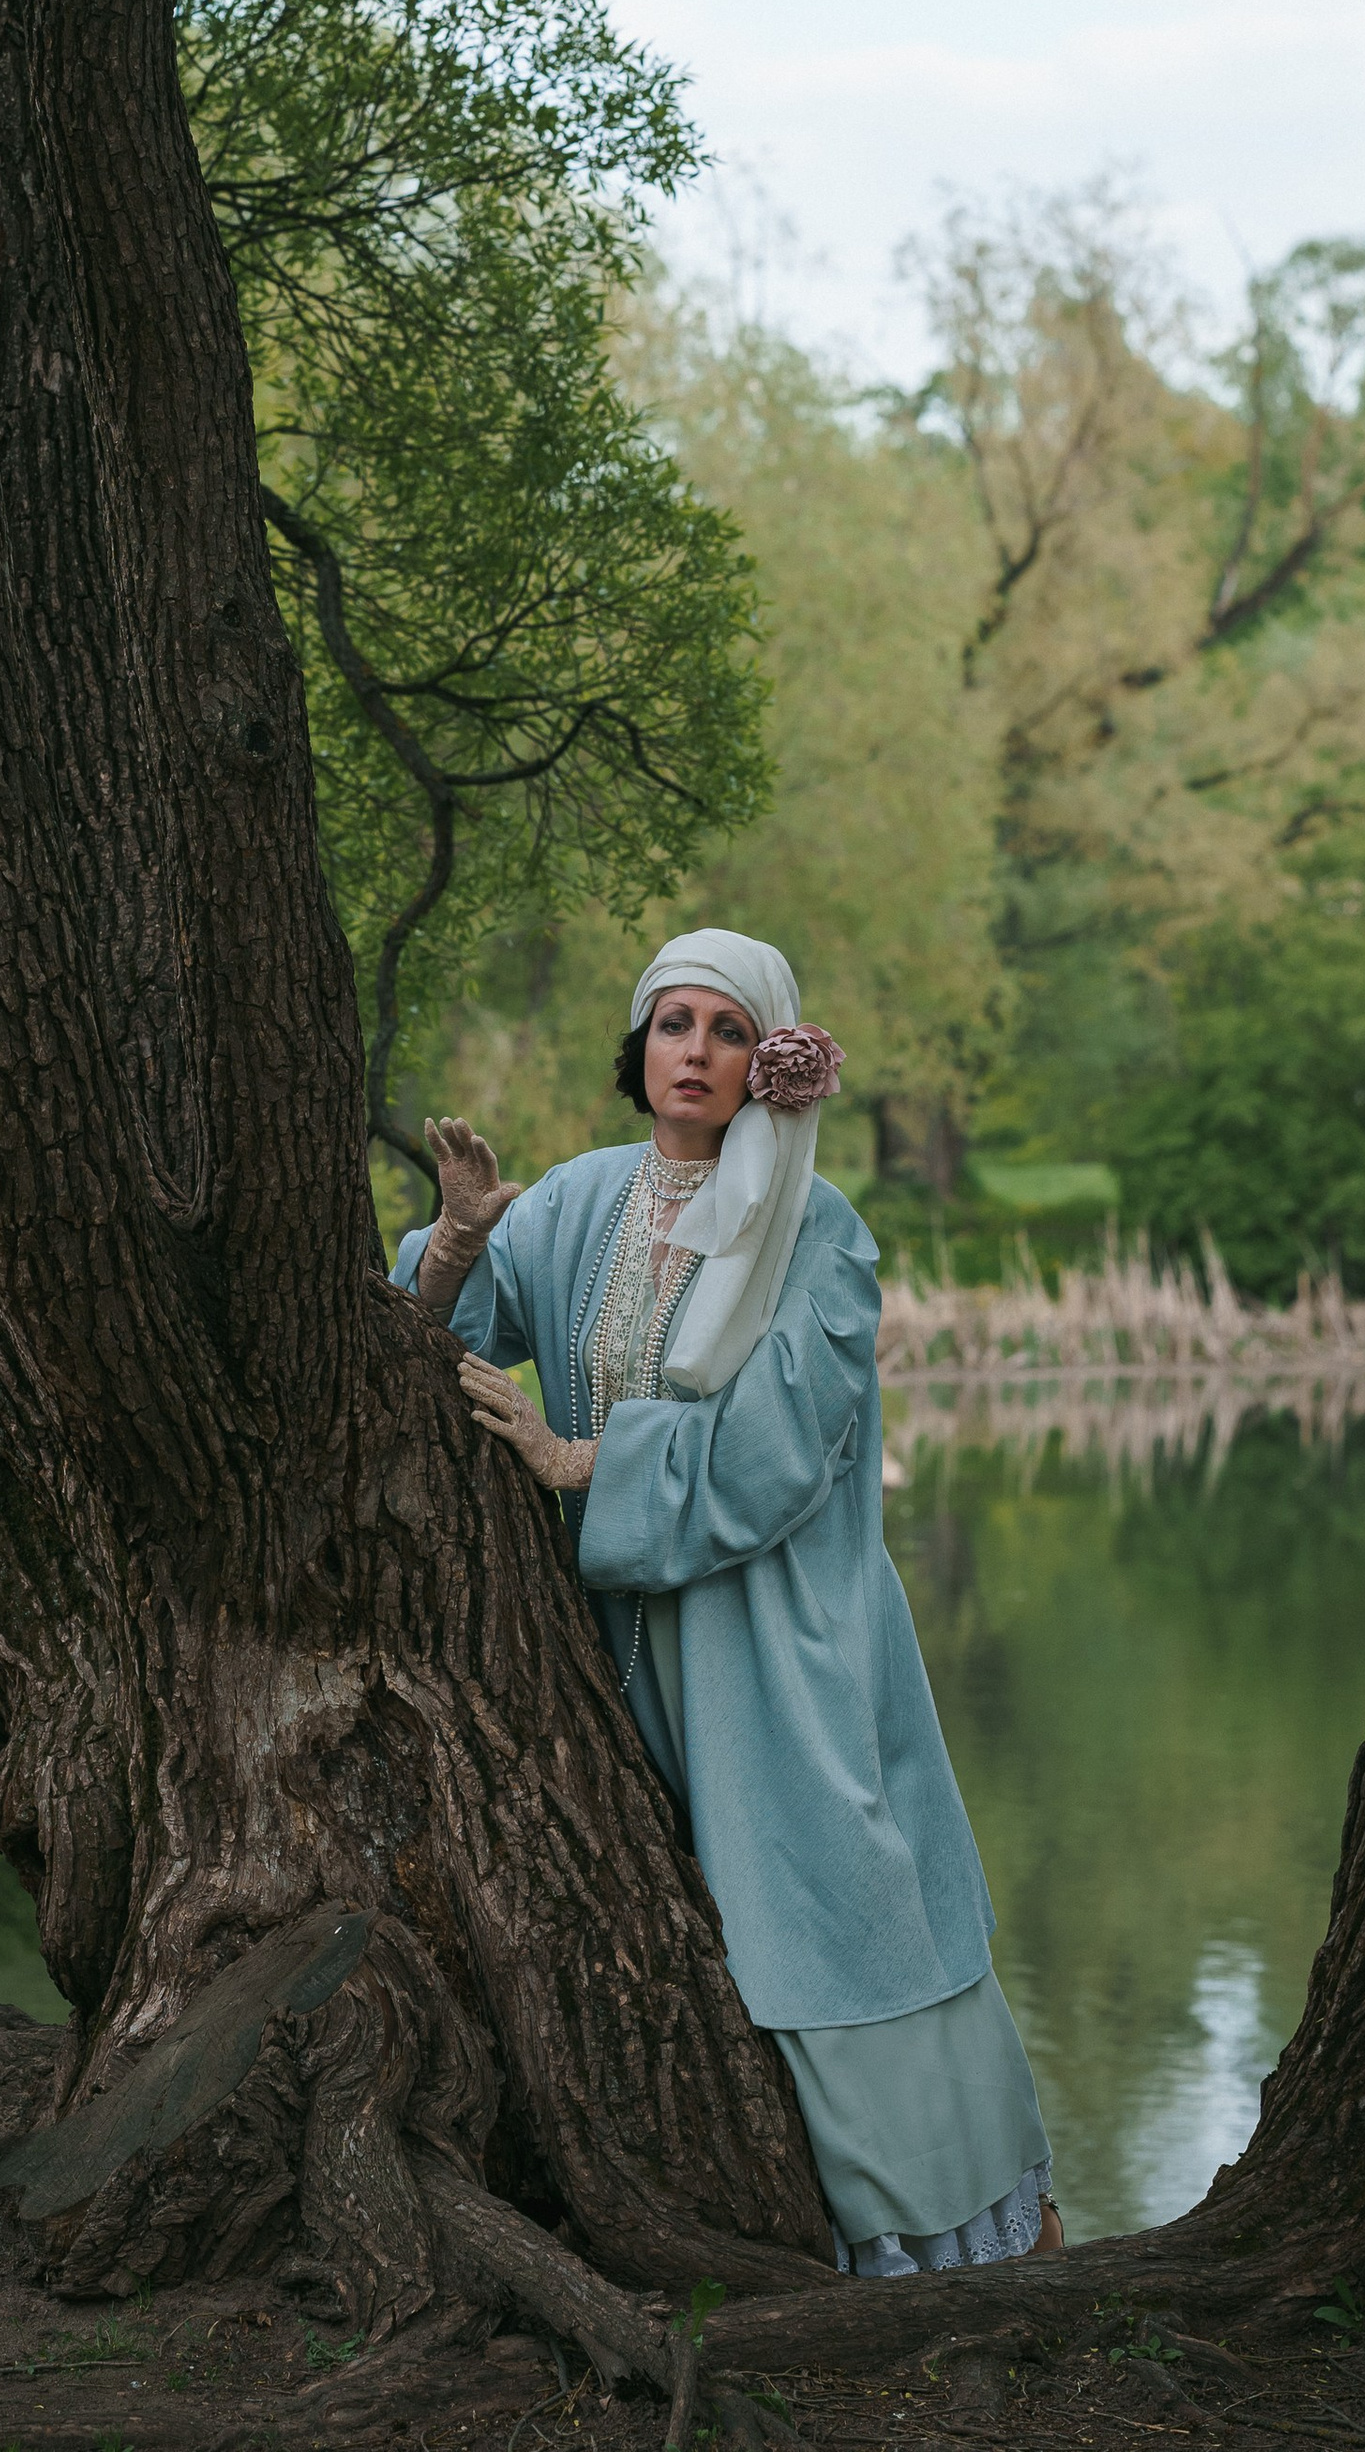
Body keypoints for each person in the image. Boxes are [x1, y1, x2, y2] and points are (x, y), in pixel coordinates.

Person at [392, 925, 1061, 2274]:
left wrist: (577, 1459)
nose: (693, 1050)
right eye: (672, 1023)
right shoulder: (578, 1202)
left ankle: (944, 2243)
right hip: (619, 1636)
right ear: (638, 1049)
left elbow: (777, 1454)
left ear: (768, 1064)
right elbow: (434, 1352)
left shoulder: (815, 1227)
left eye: (727, 1030)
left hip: (777, 1633)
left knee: (829, 1907)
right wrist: (460, 1244)